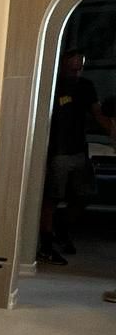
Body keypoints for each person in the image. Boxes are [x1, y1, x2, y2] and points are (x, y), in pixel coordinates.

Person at [38, 48, 113, 265]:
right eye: (72, 69)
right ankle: (46, 244)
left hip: (79, 148)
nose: (76, 73)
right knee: (52, 198)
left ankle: (61, 228)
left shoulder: (85, 86)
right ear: (62, 66)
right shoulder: (53, 85)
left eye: (79, 69)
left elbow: (97, 113)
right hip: (57, 150)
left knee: (84, 195)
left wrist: (111, 130)